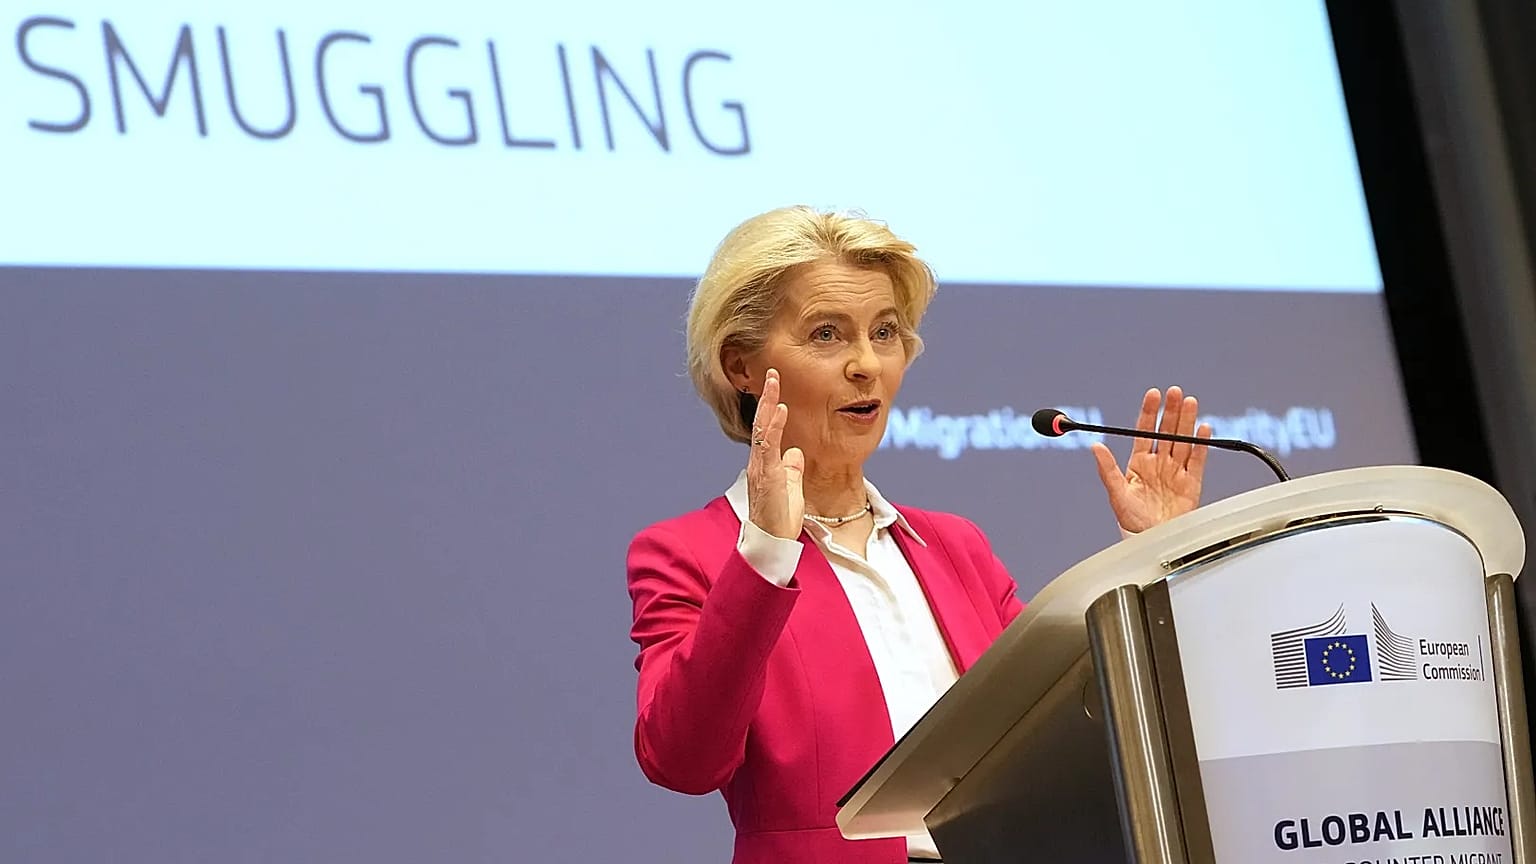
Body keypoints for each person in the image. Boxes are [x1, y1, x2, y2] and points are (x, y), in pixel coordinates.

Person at [625, 206, 1211, 864]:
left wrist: (1154, 559)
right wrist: (764, 554)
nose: (866, 364)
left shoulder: (955, 547)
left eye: (885, 332)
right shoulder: (691, 554)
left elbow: (1075, 721)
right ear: (740, 366)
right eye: (826, 334)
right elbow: (682, 760)